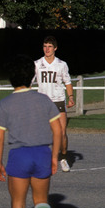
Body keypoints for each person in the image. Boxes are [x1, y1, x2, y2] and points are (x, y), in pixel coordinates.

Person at [0, 55, 62, 208]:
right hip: (42, 154)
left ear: (10, 79)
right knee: (40, 200)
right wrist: (54, 156)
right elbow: (58, 130)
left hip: (19, 156)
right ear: (32, 77)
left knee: (18, 203)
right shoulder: (44, 100)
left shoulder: (4, 104)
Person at [34, 36, 74, 172]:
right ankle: (43, 159)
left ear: (55, 48)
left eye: (50, 46)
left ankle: (63, 158)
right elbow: (28, 81)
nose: (47, 49)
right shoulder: (37, 64)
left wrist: (71, 97)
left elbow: (67, 82)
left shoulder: (61, 64)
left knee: (62, 132)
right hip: (42, 103)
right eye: (45, 46)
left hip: (58, 101)